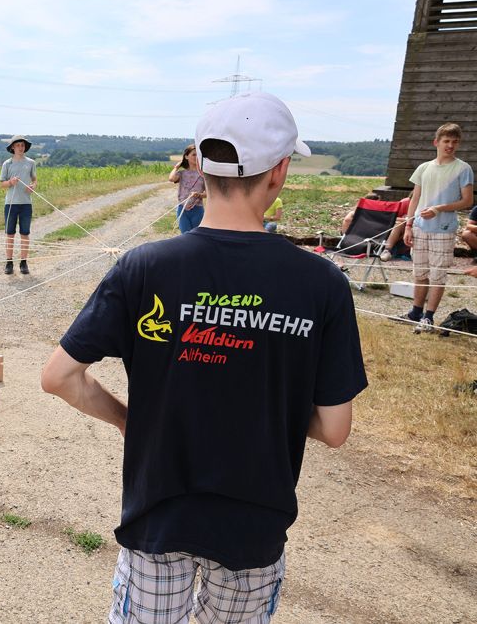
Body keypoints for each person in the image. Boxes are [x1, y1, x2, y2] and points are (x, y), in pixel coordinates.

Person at [41, 92, 366, 623]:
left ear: (202, 165)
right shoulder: (322, 283)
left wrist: (127, 419)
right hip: (254, 526)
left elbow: (59, 377)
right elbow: (334, 429)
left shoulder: (145, 267)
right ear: (279, 171)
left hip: (158, 514)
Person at [402, 122, 474, 333]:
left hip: (443, 229)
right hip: (419, 228)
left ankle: (428, 318)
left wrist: (439, 208)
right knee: (420, 273)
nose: (450, 145)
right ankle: (415, 313)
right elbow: (415, 199)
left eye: (455, 142)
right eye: (446, 141)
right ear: (436, 142)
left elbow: (467, 201)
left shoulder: (463, 168)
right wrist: (408, 225)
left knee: (438, 275)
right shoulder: (423, 168)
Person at [0, 135, 37, 274]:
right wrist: (10, 182)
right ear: (13, 148)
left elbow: (34, 180)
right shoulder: (7, 164)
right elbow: (2, 183)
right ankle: (9, 262)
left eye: (22, 145)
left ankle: (23, 262)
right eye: (18, 145)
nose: (21, 148)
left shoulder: (31, 163)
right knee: (10, 234)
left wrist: (33, 186)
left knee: (24, 234)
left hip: (26, 204)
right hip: (11, 204)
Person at [338, 196, 411, 262]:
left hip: (349, 244)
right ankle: (387, 250)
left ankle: (343, 241)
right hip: (372, 244)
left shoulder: (357, 217)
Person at [168, 144, 205, 233]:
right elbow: (171, 178)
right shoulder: (182, 173)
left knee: (197, 235)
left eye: (198, 155)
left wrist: (198, 194)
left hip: (197, 209)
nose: (196, 157)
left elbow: (208, 193)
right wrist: (176, 167)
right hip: (182, 209)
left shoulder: (203, 174)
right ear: (186, 156)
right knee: (185, 235)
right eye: (194, 154)